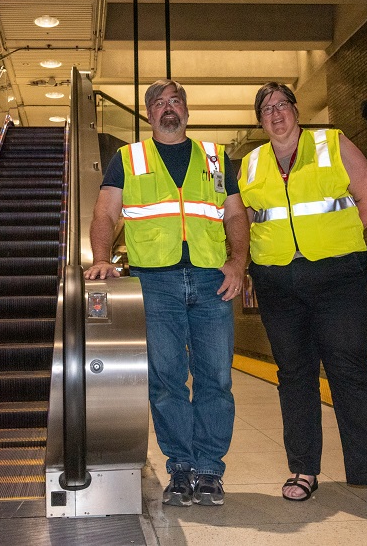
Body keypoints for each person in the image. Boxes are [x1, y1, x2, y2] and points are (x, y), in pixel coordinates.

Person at [238, 82, 367, 513]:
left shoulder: (332, 142)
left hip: (336, 280)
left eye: (281, 105)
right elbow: (244, 218)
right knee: (294, 375)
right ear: (259, 121)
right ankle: (304, 470)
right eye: (266, 109)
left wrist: (342, 244)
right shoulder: (251, 163)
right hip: (277, 283)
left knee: (349, 371)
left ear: (296, 110)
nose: (275, 114)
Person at [85, 79, 249, 507]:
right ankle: (181, 467)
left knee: (216, 377)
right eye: (158, 103)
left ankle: (210, 468)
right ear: (149, 115)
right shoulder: (129, 157)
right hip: (154, 283)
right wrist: (102, 256)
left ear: (187, 110)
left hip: (213, 279)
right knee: (166, 380)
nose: (168, 108)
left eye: (175, 101)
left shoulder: (214, 158)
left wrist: (238, 263)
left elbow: (235, 214)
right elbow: (105, 211)